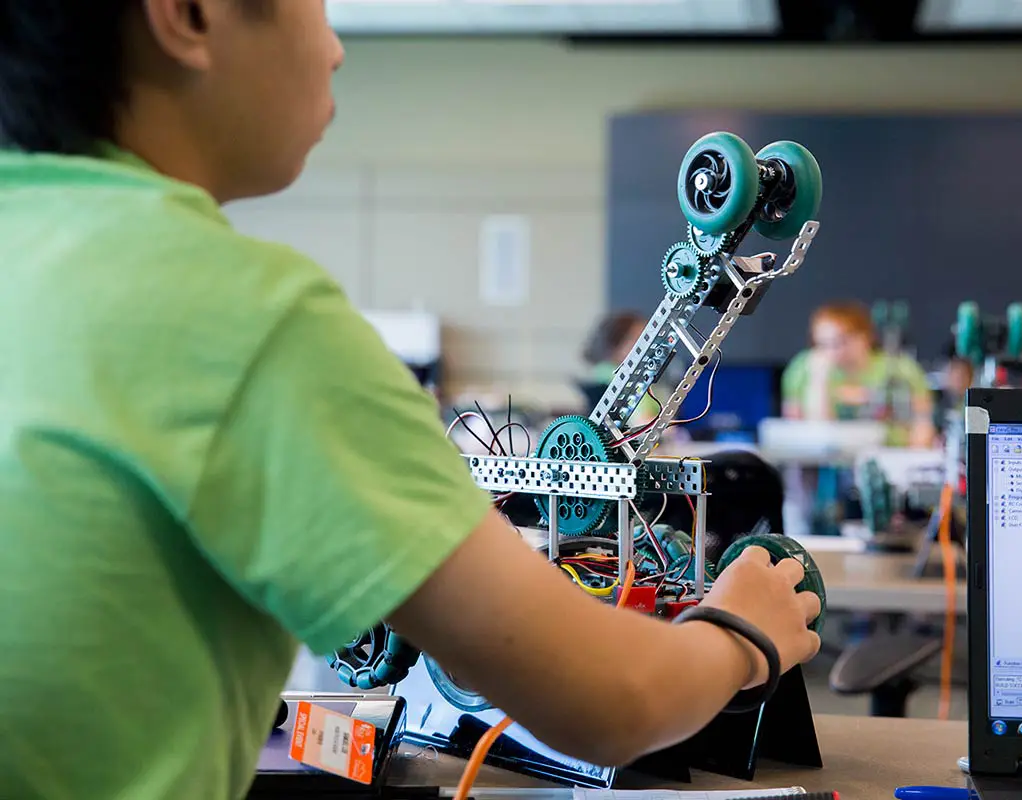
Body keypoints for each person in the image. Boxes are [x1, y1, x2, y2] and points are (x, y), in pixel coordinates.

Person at [0, 2, 821, 799]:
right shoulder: (244, 319)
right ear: (187, 13)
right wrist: (741, 630)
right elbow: (611, 702)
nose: (335, 46)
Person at [781, 301, 936, 448]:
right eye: (823, 344)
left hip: (889, 455)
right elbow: (804, 430)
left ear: (865, 336)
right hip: (824, 463)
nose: (833, 351)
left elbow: (923, 420)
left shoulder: (901, 368)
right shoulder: (802, 369)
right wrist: (819, 380)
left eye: (841, 341)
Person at [580, 310, 658, 426]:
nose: (649, 345)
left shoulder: (641, 374)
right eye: (639, 340)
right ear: (617, 344)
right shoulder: (608, 374)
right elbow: (640, 420)